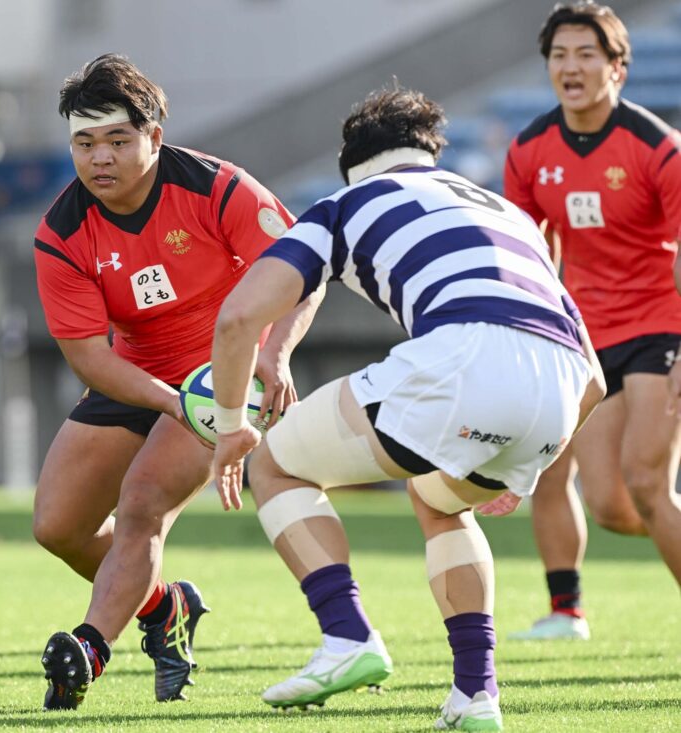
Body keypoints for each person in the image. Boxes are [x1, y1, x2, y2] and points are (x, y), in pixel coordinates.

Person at [210, 88, 606, 731]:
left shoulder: (345, 202)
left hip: (464, 359)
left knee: (274, 466)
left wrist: (231, 427)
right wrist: (522, 465)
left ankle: (346, 637)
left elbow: (237, 319)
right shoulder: (509, 213)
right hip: (558, 389)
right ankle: (476, 695)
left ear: (353, 164)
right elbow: (595, 382)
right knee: (439, 500)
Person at [32, 53, 314, 709]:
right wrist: (171, 403)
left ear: (154, 136)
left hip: (223, 375)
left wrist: (276, 353)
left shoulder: (218, 187)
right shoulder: (61, 232)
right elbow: (88, 357)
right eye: (84, 143)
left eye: (117, 140)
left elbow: (303, 271)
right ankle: (165, 606)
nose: (100, 157)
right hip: (136, 377)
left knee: (141, 504)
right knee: (58, 526)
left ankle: (89, 649)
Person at [503, 2, 681, 641]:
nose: (570, 67)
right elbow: (525, 255)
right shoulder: (529, 151)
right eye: (559, 56)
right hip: (585, 338)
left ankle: (568, 609)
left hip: (662, 326)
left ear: (618, 68)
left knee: (646, 481)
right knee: (612, 505)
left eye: (586, 54)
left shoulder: (659, 148)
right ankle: (566, 614)